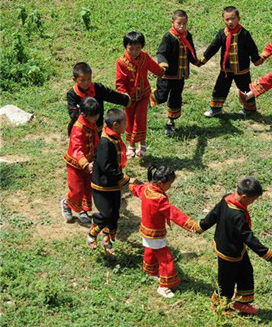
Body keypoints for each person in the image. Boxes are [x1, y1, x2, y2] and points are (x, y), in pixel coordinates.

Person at [196, 177, 272, 314]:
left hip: (237, 248)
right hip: (228, 252)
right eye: (253, 199)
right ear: (244, 197)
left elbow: (213, 214)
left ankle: (241, 302)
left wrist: (201, 226)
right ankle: (220, 305)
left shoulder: (227, 198)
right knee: (226, 280)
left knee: (246, 273)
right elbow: (248, 237)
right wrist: (267, 254)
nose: (253, 202)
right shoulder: (238, 215)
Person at [130, 165, 199, 298]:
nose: (170, 187)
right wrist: (191, 225)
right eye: (169, 184)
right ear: (161, 183)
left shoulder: (146, 189)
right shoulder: (159, 199)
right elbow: (174, 213)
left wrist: (132, 184)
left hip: (145, 229)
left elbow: (137, 189)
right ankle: (164, 286)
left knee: (150, 249)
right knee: (166, 259)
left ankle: (150, 271)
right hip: (155, 233)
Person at [199, 6, 262, 117]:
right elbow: (213, 47)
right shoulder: (222, 33)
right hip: (226, 69)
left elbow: (252, 48)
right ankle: (216, 109)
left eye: (233, 19)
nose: (230, 22)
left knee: (245, 88)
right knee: (220, 88)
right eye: (227, 19)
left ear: (238, 19)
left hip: (242, 69)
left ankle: (250, 109)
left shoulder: (244, 34)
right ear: (223, 20)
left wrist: (256, 59)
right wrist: (204, 59)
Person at [115, 31, 165, 158]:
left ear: (142, 47)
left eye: (138, 48)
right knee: (129, 120)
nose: (134, 52)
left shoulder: (144, 57)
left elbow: (155, 68)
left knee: (140, 118)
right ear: (125, 47)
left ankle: (142, 143)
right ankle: (131, 145)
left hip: (143, 94)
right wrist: (123, 94)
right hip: (129, 98)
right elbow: (120, 82)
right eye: (131, 49)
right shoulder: (121, 62)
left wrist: (162, 71)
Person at [88, 108, 130, 254]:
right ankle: (92, 234)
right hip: (102, 185)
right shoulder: (105, 142)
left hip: (113, 184)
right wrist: (123, 179)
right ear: (115, 125)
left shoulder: (114, 137)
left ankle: (106, 240)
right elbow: (106, 167)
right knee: (106, 214)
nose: (126, 125)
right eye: (124, 123)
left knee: (114, 214)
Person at [154, 10, 200, 136]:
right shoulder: (168, 37)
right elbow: (161, 53)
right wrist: (163, 64)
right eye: (179, 23)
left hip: (180, 76)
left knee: (176, 98)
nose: (181, 26)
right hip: (167, 75)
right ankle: (145, 100)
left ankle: (171, 122)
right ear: (172, 22)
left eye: (184, 24)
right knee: (161, 96)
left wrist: (197, 61)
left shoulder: (187, 36)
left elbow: (190, 52)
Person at [61, 97, 101, 227]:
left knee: (88, 189)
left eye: (97, 115)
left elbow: (96, 141)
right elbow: (76, 149)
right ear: (84, 114)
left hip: (89, 163)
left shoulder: (91, 124)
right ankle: (66, 204)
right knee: (77, 190)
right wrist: (85, 164)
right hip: (76, 165)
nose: (96, 118)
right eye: (94, 116)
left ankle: (84, 211)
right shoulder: (77, 128)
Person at [66, 62, 130, 129]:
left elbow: (111, 95)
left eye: (89, 79)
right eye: (82, 80)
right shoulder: (72, 94)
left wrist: (126, 100)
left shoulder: (97, 88)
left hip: (97, 126)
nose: (86, 83)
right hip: (82, 128)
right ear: (74, 79)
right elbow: (73, 113)